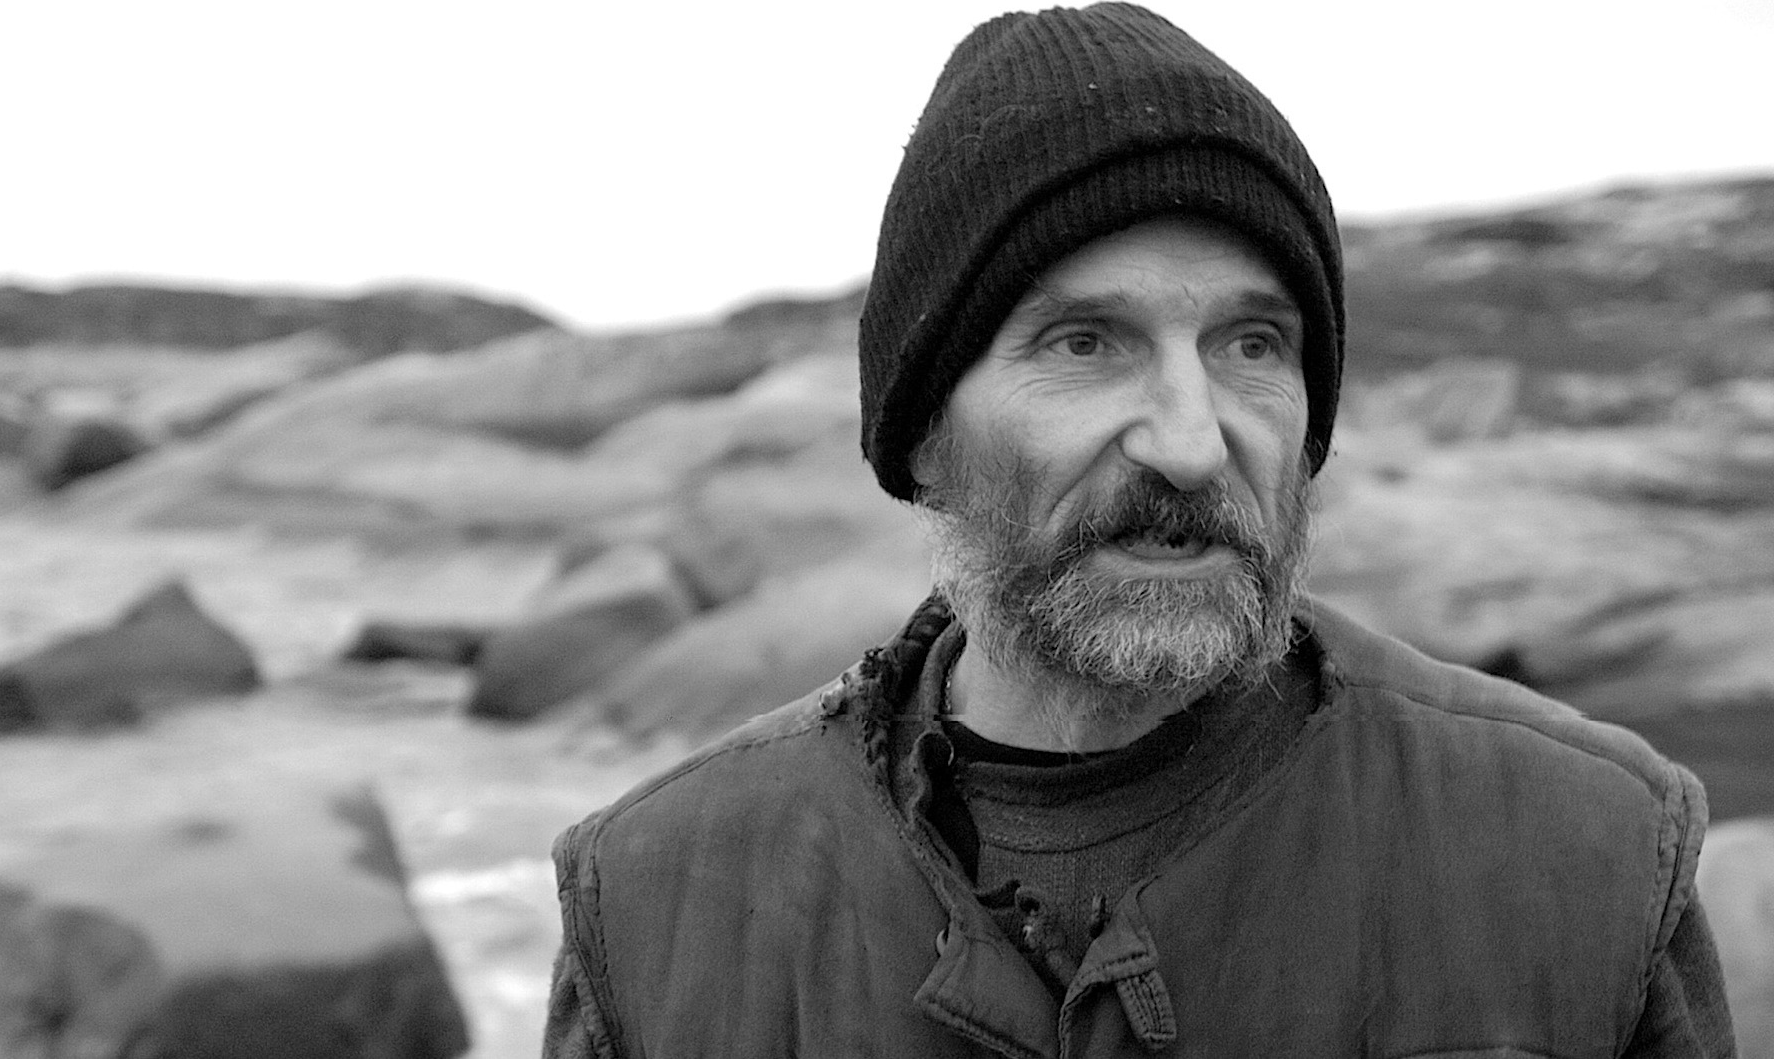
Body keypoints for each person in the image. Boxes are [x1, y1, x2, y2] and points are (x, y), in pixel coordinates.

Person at [541, 5, 1735, 1056]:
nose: (1189, 441)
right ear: (923, 434)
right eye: (1084, 344)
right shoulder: (653, 906)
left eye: (1250, 345)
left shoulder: (1586, 853)